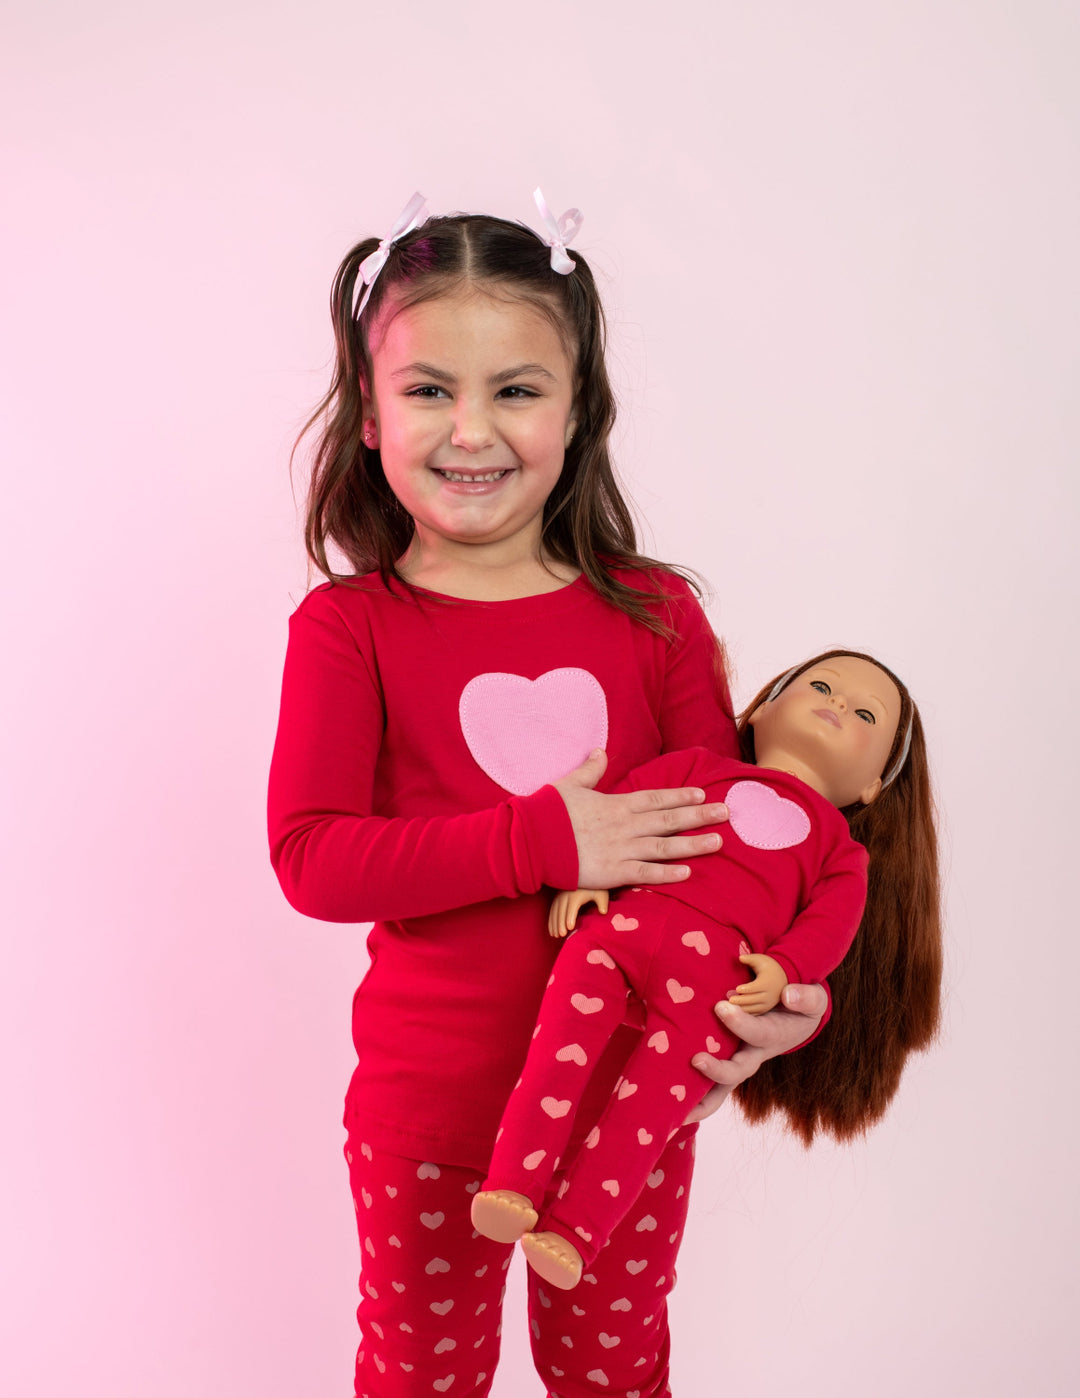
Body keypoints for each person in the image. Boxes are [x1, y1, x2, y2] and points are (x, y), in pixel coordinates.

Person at [268, 191, 830, 1398]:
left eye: (517, 389)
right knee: (422, 1378)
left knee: (616, 1377)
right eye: (429, 389)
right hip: (427, 1113)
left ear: (580, 412)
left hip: (626, 1109)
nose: (473, 428)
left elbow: (736, 862)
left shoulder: (657, 617)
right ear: (370, 413)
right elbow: (313, 858)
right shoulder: (348, 629)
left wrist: (790, 1003)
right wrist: (543, 838)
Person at [471, 651, 943, 1290]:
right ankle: (511, 1186)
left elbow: (828, 927)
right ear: (764, 711)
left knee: (648, 1114)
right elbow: (626, 811)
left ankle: (575, 1232)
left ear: (874, 787)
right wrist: (584, 875)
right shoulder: (697, 768)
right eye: (821, 686)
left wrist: (785, 969)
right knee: (557, 1054)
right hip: (617, 935)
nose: (836, 703)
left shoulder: (841, 853)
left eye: (865, 714)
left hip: (718, 988)